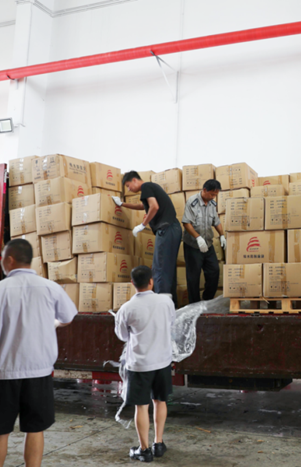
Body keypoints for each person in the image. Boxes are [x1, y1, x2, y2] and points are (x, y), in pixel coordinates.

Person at [0, 239, 78, 467]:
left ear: (9, 260)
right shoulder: (50, 287)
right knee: (35, 429)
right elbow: (68, 317)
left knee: (0, 430)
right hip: (39, 371)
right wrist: (54, 323)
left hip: (4, 373)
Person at [115, 265, 176, 463]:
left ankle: (144, 450)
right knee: (160, 401)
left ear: (132, 283)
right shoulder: (166, 302)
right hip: (163, 361)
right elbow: (171, 324)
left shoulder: (127, 308)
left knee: (141, 407)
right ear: (151, 281)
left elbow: (122, 335)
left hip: (139, 364)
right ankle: (158, 443)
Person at [114, 172, 182, 307]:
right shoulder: (150, 189)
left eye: (128, 186)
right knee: (168, 268)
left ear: (134, 180)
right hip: (173, 229)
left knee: (160, 267)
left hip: (166, 228)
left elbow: (154, 206)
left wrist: (142, 225)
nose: (129, 189)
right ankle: (170, 305)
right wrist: (122, 204)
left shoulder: (146, 186)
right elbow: (143, 206)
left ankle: (162, 306)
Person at [181, 179, 226, 304]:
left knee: (214, 271)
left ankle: (207, 300)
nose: (213, 197)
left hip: (208, 244)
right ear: (205, 190)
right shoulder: (192, 202)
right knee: (193, 277)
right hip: (193, 245)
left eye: (215, 195)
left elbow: (216, 221)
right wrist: (198, 238)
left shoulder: (212, 204)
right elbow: (186, 223)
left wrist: (222, 235)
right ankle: (194, 305)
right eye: (212, 194)